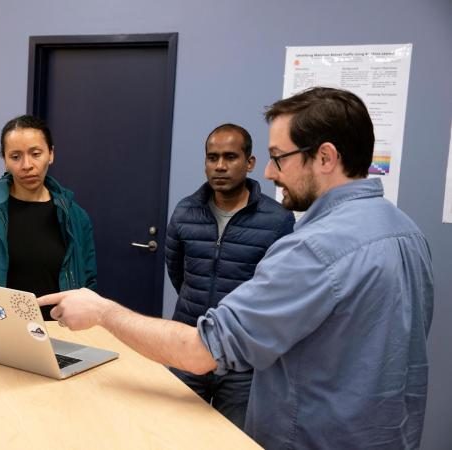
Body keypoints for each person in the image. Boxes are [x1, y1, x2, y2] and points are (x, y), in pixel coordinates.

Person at [38, 87, 434, 449]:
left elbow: (202, 351)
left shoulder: (313, 248)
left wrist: (103, 311)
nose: (270, 172)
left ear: (326, 157)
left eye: (279, 157)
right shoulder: (406, 231)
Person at [165, 123, 294, 427]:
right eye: (212, 158)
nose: (220, 166)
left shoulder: (277, 220)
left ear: (249, 163)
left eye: (230, 157)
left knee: (233, 439)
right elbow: (177, 272)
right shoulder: (185, 212)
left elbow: (276, 292)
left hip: (242, 361)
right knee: (174, 435)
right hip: (188, 347)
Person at [0, 115, 96, 320]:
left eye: (36, 154)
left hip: (59, 332)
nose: (27, 165)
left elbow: (88, 285)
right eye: (15, 157)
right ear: (5, 161)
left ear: (51, 154)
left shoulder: (76, 217)